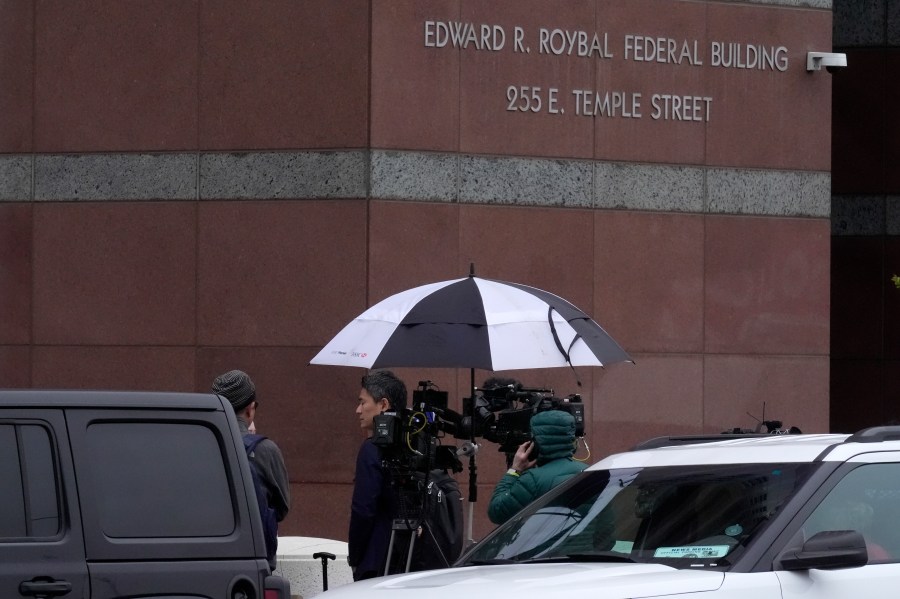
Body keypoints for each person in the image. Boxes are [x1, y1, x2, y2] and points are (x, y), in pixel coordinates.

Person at [212, 369, 291, 567]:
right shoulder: (266, 450)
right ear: (250, 409)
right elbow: (281, 509)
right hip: (256, 560)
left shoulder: (200, 445)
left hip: (208, 558)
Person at [348, 369, 406, 581]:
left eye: (363, 402)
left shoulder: (371, 449)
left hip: (376, 562)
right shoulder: (413, 448)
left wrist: (355, 557)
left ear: (383, 404)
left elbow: (363, 510)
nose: (358, 410)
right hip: (409, 560)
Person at [487, 409, 587, 525]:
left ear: (536, 442)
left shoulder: (533, 480)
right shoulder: (589, 472)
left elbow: (497, 512)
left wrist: (514, 471)